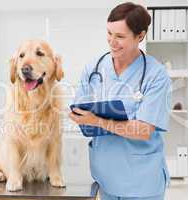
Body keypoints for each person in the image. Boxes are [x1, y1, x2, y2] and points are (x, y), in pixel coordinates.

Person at [69, 2, 172, 200]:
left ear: (140, 36)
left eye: (120, 36)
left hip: (142, 182)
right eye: (109, 33)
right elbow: (80, 110)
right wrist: (78, 116)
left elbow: (143, 131)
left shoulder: (156, 75)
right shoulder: (94, 67)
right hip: (106, 179)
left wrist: (97, 121)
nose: (112, 41)